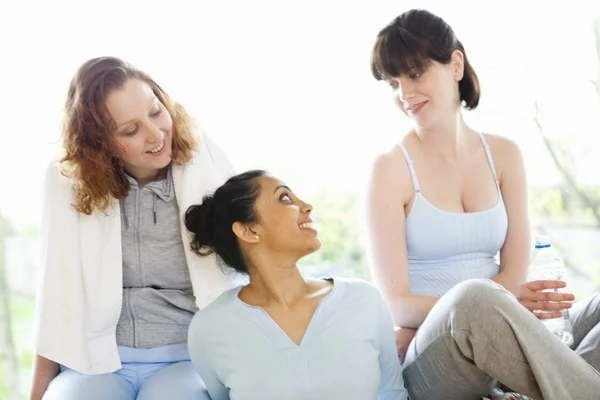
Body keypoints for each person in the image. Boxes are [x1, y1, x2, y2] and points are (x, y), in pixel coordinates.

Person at [366, 8, 600, 400]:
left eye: (415, 73)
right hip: (434, 353)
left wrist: (504, 308)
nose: (405, 94)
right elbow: (398, 304)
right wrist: (492, 304)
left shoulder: (505, 156)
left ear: (455, 64)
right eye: (393, 83)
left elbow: (515, 272)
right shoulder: (390, 169)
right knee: (473, 299)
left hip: (505, 331)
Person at [30, 56, 241, 400]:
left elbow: (248, 267)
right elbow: (56, 295)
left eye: (156, 111)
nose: (156, 134)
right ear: (99, 143)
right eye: (131, 130)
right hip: (94, 363)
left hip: (187, 359)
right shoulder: (67, 183)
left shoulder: (207, 165)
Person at [183, 170, 407, 400]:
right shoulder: (210, 328)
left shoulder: (363, 299)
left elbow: (392, 393)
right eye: (285, 198)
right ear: (249, 230)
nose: (307, 206)